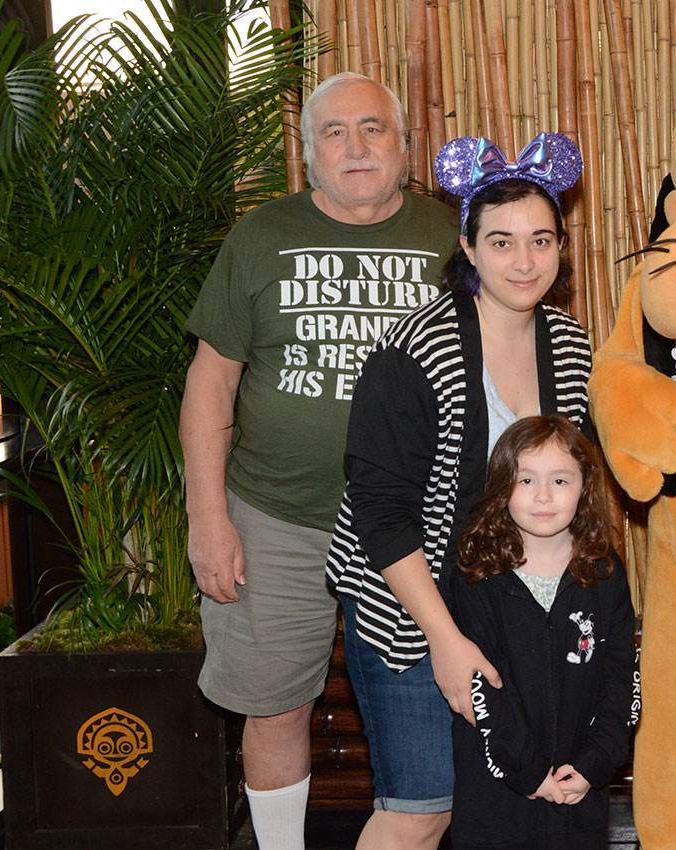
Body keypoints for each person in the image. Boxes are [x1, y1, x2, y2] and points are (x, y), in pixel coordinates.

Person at [180, 72, 456, 850]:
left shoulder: (453, 236)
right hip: (275, 516)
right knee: (274, 706)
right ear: (308, 153)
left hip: (410, 525)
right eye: (334, 132)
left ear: (405, 147)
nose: (355, 146)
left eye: (373, 128)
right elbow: (210, 382)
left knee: (427, 703)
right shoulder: (260, 236)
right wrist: (209, 518)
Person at [323, 131, 591, 850]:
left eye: (542, 239)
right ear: (467, 249)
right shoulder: (413, 350)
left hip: (505, 604)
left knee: (493, 806)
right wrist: (443, 639)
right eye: (501, 242)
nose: (525, 260)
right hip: (405, 605)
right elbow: (381, 513)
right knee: (420, 810)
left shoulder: (571, 347)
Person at [446, 415, 636, 850]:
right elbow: (481, 687)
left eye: (561, 481)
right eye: (526, 480)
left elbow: (622, 678)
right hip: (496, 793)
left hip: (579, 789)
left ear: (584, 486)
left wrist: (594, 763)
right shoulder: (477, 575)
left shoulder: (604, 572)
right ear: (501, 487)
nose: (544, 496)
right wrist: (528, 772)